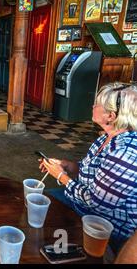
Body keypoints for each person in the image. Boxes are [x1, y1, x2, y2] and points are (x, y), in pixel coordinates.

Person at [40, 82, 137, 253]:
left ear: (111, 116)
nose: (93, 106)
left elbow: (96, 203)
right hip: (80, 204)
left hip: (105, 227)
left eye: (97, 104)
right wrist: (67, 166)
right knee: (39, 201)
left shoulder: (125, 154)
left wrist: (62, 177)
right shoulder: (106, 138)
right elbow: (90, 171)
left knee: (44, 216)